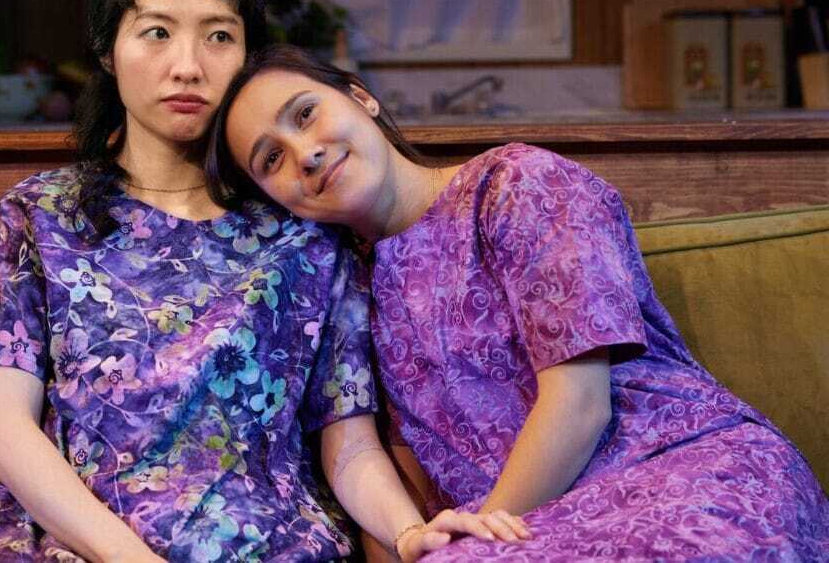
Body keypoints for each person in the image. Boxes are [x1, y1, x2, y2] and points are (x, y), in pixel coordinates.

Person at [0, 0, 519, 562]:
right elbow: (8, 431)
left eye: (218, 35)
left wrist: (410, 534)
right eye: (157, 32)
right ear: (106, 49)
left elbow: (350, 445)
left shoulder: (304, 234)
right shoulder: (38, 218)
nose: (187, 66)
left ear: (246, 57)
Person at [206, 44, 829, 560]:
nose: (306, 153)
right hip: (521, 531)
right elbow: (402, 478)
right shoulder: (348, 290)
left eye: (306, 113)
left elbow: (580, 402)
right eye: (271, 158)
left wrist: (478, 537)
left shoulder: (518, 184)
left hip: (678, 473)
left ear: (360, 97)